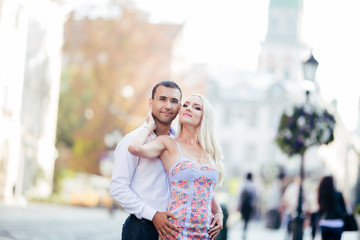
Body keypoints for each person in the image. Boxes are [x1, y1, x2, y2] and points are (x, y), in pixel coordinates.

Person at [109, 81, 222, 240]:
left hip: (176, 230)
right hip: (143, 228)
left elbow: (197, 183)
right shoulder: (133, 140)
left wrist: (217, 211)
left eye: (174, 101)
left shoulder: (178, 144)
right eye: (162, 99)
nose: (168, 106)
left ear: (179, 107)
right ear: (151, 102)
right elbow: (117, 187)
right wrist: (153, 215)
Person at [310, 175, 346, 240]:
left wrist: (313, 233)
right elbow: (344, 210)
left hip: (325, 223)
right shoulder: (338, 194)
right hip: (337, 224)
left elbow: (319, 211)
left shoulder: (322, 194)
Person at [237, 172, 257, 240]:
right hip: (249, 205)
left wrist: (239, 204)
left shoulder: (243, 184)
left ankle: (243, 230)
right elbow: (255, 197)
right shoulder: (253, 185)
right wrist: (254, 205)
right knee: (247, 219)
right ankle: (245, 230)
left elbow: (240, 195)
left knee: (243, 218)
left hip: (244, 204)